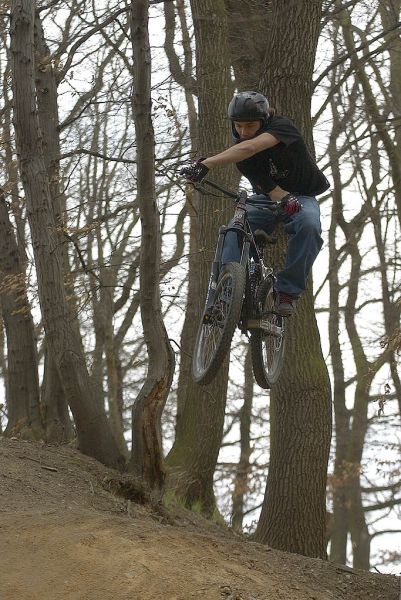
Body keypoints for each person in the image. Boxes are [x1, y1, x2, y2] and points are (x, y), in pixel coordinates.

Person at [181, 90, 329, 316]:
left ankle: (287, 292)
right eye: (238, 126)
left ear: (264, 121)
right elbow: (272, 190)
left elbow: (250, 147)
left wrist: (206, 164)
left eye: (249, 126)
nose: (243, 132)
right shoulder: (244, 160)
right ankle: (227, 294)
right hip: (269, 199)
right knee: (234, 228)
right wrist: (283, 198)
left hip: (303, 195)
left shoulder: (282, 127)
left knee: (310, 225)